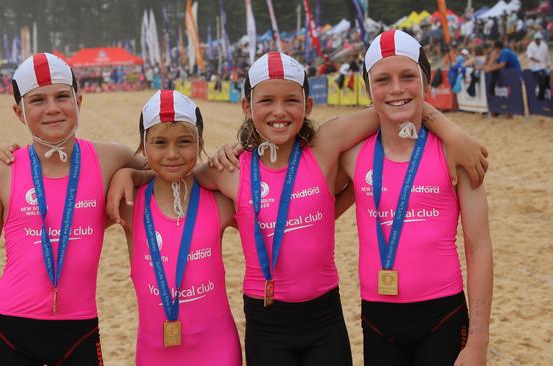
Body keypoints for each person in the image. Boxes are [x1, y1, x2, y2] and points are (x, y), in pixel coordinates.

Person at [106, 51, 489, 366]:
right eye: (266, 101)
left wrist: (448, 128)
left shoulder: (324, 146)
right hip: (266, 322)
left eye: (291, 100)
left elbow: (392, 106)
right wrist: (134, 175)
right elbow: (178, 173)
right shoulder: (228, 171)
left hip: (324, 318)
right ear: (246, 106)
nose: (279, 112)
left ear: (307, 105)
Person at [0, 53, 144, 366]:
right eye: (38, 100)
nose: (52, 108)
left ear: (79, 101)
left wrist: (130, 173)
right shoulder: (3, 170)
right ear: (19, 112)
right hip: (10, 330)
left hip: (79, 331)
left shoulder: (110, 159)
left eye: (62, 96)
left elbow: (172, 172)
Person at [339, 29, 493, 366]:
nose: (396, 88)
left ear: (425, 81)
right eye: (383, 80)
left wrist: (478, 341)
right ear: (368, 89)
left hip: (442, 316)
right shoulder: (351, 156)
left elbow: (479, 247)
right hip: (378, 320)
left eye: (408, 76)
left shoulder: (458, 155)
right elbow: (309, 144)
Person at [117, 90, 241, 365]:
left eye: (184, 142)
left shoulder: (221, 200)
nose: (172, 154)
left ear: (200, 143)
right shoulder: (126, 201)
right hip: (154, 353)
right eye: (160, 142)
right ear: (143, 146)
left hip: (217, 349)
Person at [526, 32, 550, 100]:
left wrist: (548, 64)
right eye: (536, 39)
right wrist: (538, 61)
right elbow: (530, 56)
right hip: (534, 68)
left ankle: (543, 95)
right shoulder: (530, 46)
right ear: (534, 39)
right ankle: (540, 96)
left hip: (543, 66)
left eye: (539, 39)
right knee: (541, 80)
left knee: (546, 79)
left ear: (541, 39)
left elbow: (547, 56)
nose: (537, 40)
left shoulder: (544, 45)